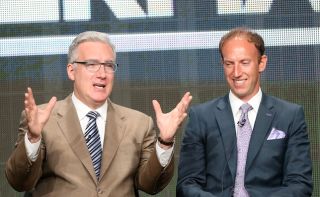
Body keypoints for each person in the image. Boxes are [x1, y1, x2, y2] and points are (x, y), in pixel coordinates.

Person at [5, 31, 192, 197]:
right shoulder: (43, 119)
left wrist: (165, 142)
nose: (102, 73)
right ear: (71, 70)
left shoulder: (139, 124)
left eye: (109, 65)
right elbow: (20, 182)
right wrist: (33, 137)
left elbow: (151, 186)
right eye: (92, 64)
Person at [177, 27, 312, 196]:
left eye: (244, 62)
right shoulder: (201, 116)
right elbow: (187, 185)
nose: (236, 73)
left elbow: (300, 185)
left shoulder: (290, 115)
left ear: (261, 63)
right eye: (229, 64)